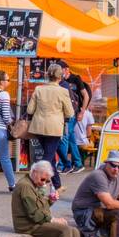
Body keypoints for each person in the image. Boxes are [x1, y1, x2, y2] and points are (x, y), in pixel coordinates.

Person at [11, 160, 105, 237]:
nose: (44, 183)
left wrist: (50, 200)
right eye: (43, 179)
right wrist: (53, 219)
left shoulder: (34, 183)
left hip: (36, 221)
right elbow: (34, 214)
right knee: (65, 230)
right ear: (34, 172)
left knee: (74, 231)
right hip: (28, 225)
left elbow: (39, 207)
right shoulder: (25, 186)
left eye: (47, 181)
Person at [27, 62, 75, 190]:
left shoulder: (38, 89)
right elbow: (70, 112)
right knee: (47, 158)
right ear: (60, 77)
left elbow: (30, 110)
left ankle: (57, 184)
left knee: (50, 157)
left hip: (38, 127)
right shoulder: (63, 91)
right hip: (54, 128)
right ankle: (34, 181)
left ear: (47, 75)